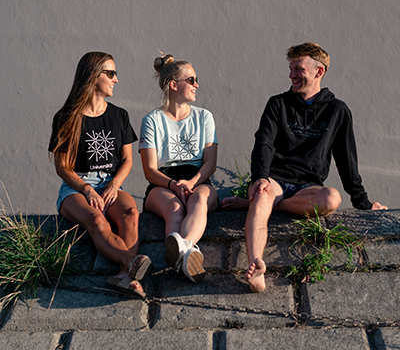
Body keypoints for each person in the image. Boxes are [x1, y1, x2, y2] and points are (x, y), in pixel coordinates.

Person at [233, 42, 388, 293]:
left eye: (299, 69)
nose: (292, 74)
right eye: (291, 69)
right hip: (276, 179)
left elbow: (346, 158)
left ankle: (261, 204)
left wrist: (363, 203)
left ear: (319, 71)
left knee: (331, 199)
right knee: (263, 193)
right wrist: (259, 178)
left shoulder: (337, 110)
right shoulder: (277, 104)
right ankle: (256, 266)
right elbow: (263, 143)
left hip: (308, 187)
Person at [49, 52, 153, 299]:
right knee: (97, 220)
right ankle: (132, 262)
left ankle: (125, 277)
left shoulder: (119, 115)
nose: (116, 79)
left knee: (130, 214)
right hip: (76, 187)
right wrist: (86, 189)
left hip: (110, 183)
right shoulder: (66, 117)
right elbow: (62, 167)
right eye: (111, 73)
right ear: (94, 76)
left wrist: (114, 185)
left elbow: (127, 160)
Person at [139, 54, 218, 284]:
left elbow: (210, 163)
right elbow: (150, 170)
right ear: (174, 85)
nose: (197, 85)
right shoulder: (151, 120)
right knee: (174, 208)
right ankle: (189, 258)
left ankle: (182, 250)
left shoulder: (205, 117)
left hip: (198, 179)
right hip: (163, 182)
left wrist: (191, 183)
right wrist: (173, 184)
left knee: (198, 201)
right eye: (191, 80)